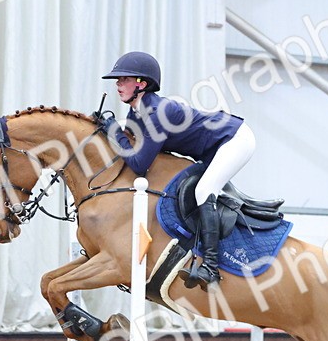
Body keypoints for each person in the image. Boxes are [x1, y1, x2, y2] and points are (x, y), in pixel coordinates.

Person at [97, 51, 255, 289]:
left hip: (234, 139)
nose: (118, 85)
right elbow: (131, 148)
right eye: (117, 81)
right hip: (211, 148)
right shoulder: (136, 112)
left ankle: (210, 267)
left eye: (124, 79)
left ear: (142, 83)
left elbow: (140, 164)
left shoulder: (158, 112)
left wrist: (114, 131)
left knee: (203, 192)